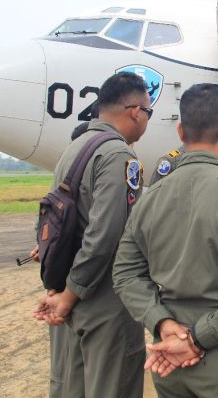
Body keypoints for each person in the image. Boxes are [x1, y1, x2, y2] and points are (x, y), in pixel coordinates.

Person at [113, 83, 218, 397]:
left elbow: (125, 273)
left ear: (180, 130)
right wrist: (195, 339)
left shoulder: (149, 201)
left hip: (171, 365)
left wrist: (163, 324)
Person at [32, 71, 152, 398]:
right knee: (114, 386)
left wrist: (60, 291)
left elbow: (49, 215)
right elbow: (106, 234)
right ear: (134, 111)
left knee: (73, 386)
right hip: (102, 300)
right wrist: (70, 295)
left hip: (68, 290)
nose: (146, 121)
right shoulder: (118, 154)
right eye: (149, 112)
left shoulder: (75, 147)